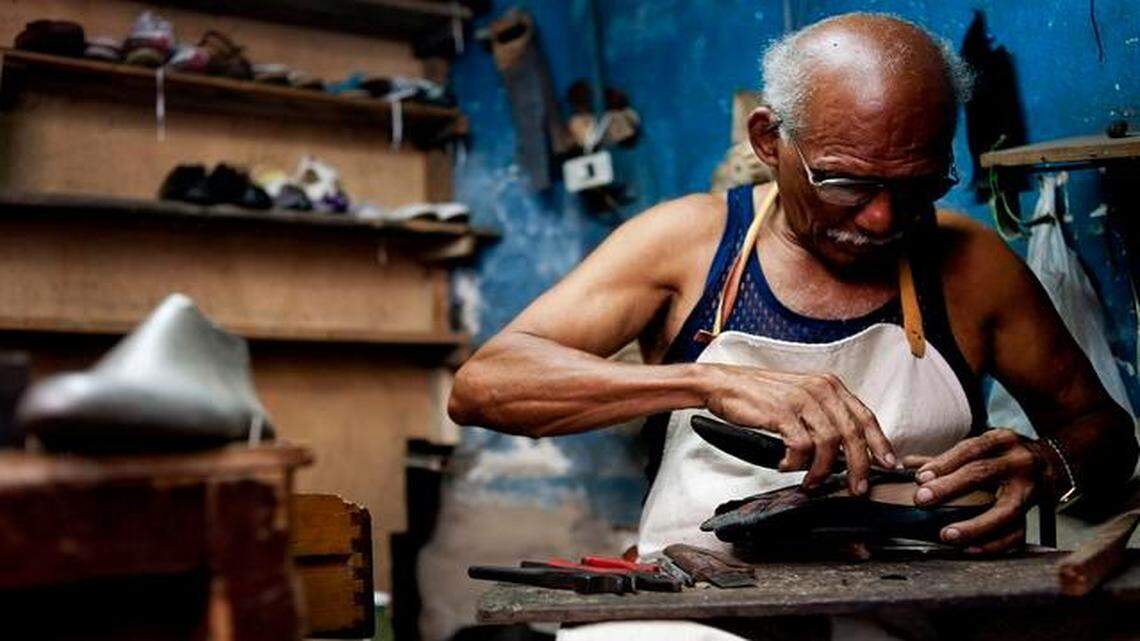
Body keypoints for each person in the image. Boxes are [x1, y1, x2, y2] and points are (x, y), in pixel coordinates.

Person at [450, 13, 1137, 637]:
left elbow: (1107, 433)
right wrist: (703, 384)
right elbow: (484, 385)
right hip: (696, 609)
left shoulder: (970, 266)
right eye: (846, 181)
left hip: (906, 613)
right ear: (770, 140)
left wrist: (1049, 463)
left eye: (918, 184)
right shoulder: (686, 245)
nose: (883, 219)